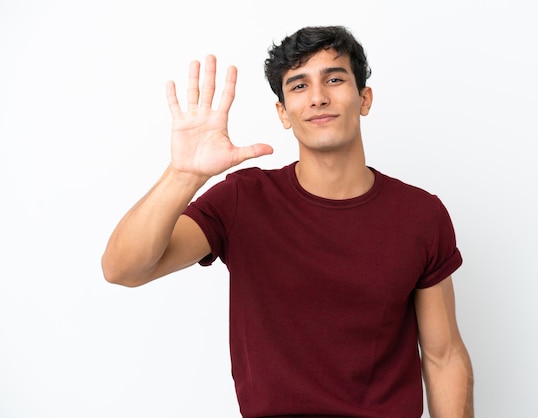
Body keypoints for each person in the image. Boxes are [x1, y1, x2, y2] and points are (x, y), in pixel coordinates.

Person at [102, 25, 474, 418]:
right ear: (282, 112)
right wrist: (184, 175)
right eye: (298, 86)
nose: (317, 97)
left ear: (364, 98)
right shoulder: (242, 200)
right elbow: (123, 268)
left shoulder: (420, 214)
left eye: (334, 79)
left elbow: (444, 356)